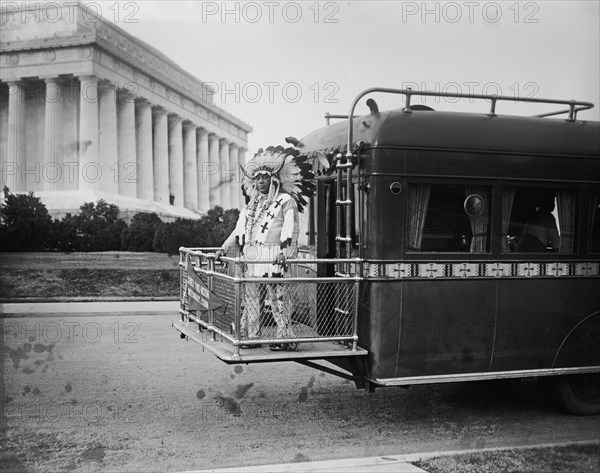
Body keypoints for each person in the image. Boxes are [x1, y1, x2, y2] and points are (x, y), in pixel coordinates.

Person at [216, 146, 314, 351]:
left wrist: (285, 253)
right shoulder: (251, 205)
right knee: (250, 301)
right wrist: (223, 249)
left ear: (275, 179)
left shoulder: (286, 201)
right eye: (257, 178)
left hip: (273, 259)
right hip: (251, 260)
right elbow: (238, 231)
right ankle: (251, 335)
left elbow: (291, 230)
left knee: (278, 300)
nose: (260, 182)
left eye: (264, 177)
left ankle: (285, 337)